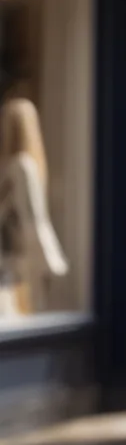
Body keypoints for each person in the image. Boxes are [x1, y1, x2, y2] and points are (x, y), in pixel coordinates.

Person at [0, 98, 68, 315]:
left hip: (18, 264)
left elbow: (34, 220)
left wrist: (49, 258)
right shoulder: (20, 164)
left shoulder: (21, 166)